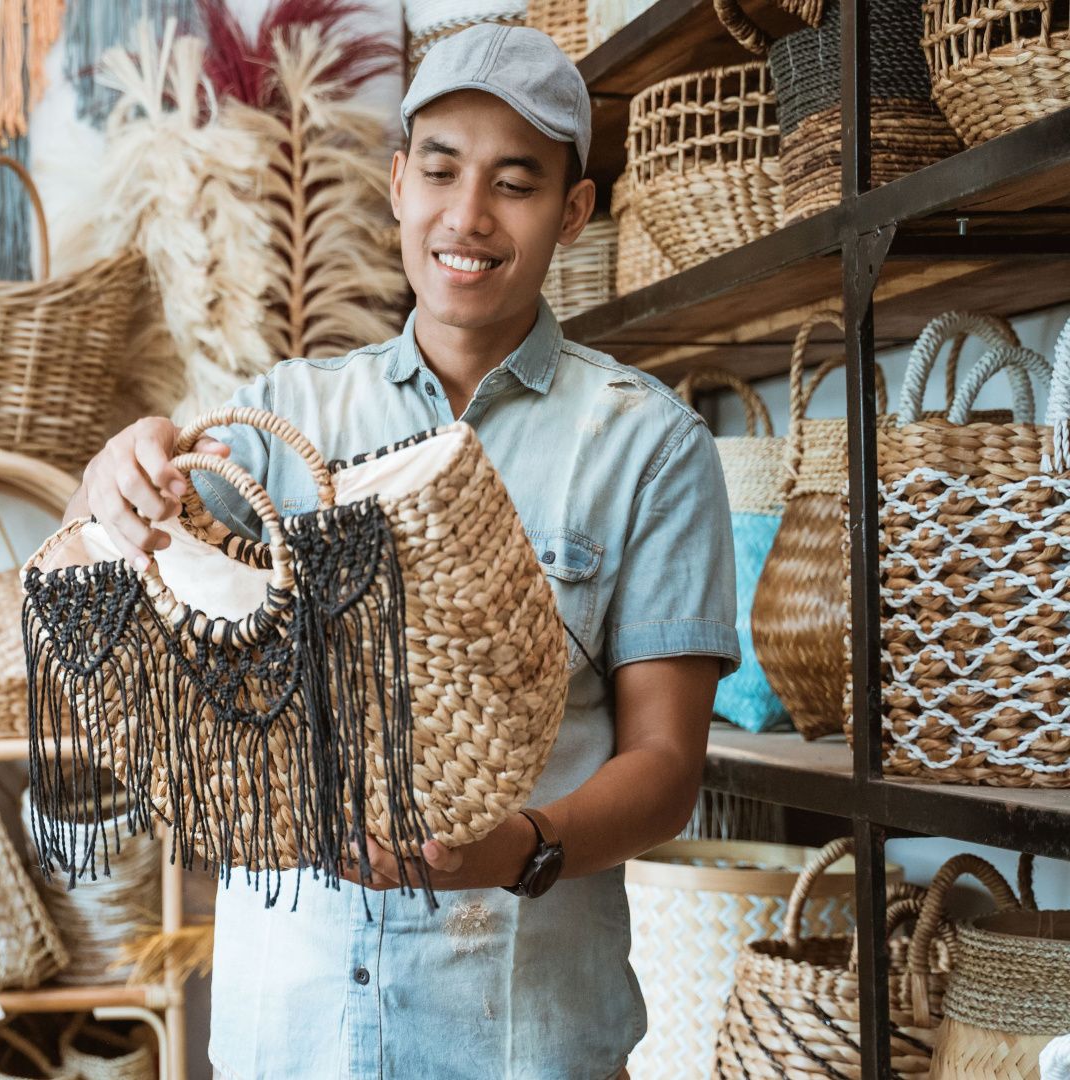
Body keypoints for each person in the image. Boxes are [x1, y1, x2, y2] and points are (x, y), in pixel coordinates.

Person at [62, 24, 739, 1080]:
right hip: (293, 1030)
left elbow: (664, 768)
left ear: (573, 211)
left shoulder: (647, 444)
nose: (467, 216)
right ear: (395, 184)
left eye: (515, 183)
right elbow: (149, 580)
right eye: (440, 169)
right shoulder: (283, 414)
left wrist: (519, 846)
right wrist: (118, 472)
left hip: (522, 1036)